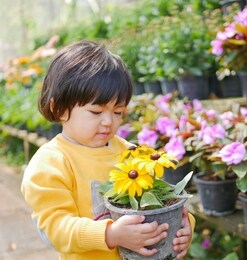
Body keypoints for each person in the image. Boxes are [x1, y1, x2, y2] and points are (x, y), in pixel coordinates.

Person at [21, 40, 195, 260]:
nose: (107, 122)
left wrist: (184, 225)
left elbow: (164, 201)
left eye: (118, 112)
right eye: (96, 112)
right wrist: (111, 234)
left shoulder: (132, 153)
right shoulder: (51, 162)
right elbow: (55, 229)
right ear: (60, 108)